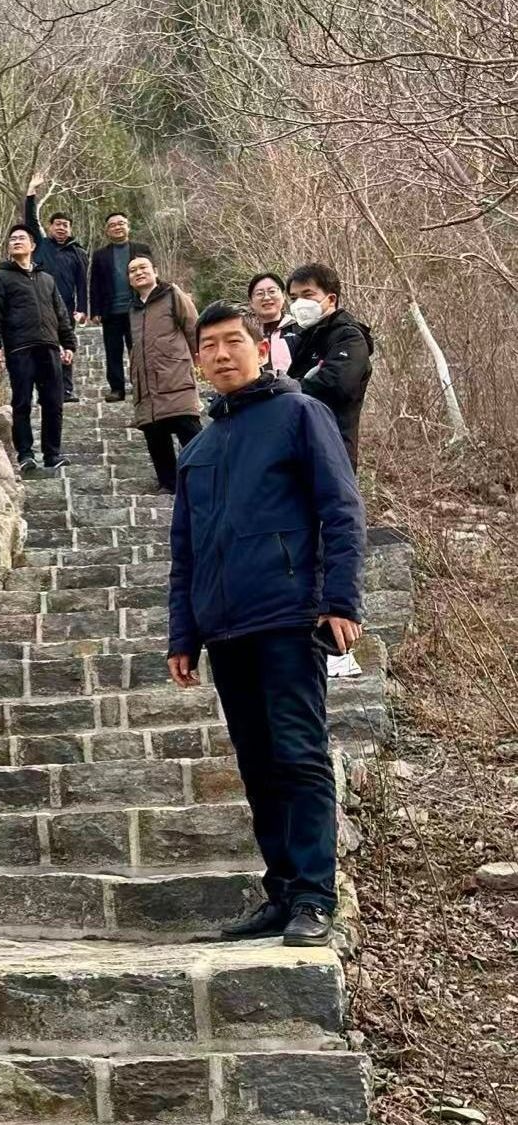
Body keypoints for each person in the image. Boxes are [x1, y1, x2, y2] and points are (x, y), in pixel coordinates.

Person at [167, 301, 365, 948]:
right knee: (256, 764)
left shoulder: (301, 414)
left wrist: (341, 600)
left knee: (299, 755)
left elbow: (341, 509)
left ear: (261, 348)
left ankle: (313, 895)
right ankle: (281, 892)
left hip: (288, 615)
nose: (221, 354)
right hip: (224, 629)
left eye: (233, 341)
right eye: (209, 346)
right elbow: (185, 550)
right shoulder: (199, 447)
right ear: (198, 359)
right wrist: (183, 634)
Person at [0, 223, 77, 472]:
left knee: (54, 402)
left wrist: (68, 343)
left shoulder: (47, 279)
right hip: (19, 348)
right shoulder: (0, 278)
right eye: (12, 239)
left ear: (33, 245)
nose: (16, 241)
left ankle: (52, 454)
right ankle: (25, 454)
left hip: (49, 347)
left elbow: (61, 314)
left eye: (21, 238)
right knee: (22, 402)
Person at [284, 262, 373, 470]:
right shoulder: (305, 337)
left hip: (333, 450)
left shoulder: (349, 337)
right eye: (294, 298)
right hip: (301, 446)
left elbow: (337, 385)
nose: (299, 304)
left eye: (307, 295)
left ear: (331, 299)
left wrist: (285, 387)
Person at [126, 253, 202, 494]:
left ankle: (204, 480)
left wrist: (200, 360)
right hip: (145, 382)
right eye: (133, 271)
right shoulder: (133, 308)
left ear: (155, 271)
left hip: (175, 375)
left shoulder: (172, 294)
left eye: (143, 267)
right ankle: (168, 484)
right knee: (154, 434)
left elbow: (193, 328)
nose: (138, 273)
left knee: (189, 430)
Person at [24, 175, 90, 402]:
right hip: (39, 306)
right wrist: (31, 192)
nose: (61, 228)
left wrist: (83, 309)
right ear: (50, 227)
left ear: (70, 229)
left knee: (67, 347)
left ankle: (66, 390)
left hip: (66, 308)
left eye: (65, 225)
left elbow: (82, 283)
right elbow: (31, 220)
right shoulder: (41, 245)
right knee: (43, 348)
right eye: (58, 224)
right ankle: (45, 392)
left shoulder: (78, 252)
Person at [88, 211, 151, 402]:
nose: (117, 227)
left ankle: (142, 386)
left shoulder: (142, 249)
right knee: (113, 352)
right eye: (113, 225)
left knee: (139, 351)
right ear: (107, 231)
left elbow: (152, 276)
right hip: (111, 311)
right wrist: (95, 310)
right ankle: (117, 389)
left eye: (121, 223)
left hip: (137, 309)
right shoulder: (100, 255)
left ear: (128, 226)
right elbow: (95, 284)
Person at [247, 270, 296, 375]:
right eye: (260, 293)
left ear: (283, 296)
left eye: (272, 291)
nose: (266, 297)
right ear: (251, 301)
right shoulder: (246, 333)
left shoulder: (300, 329)